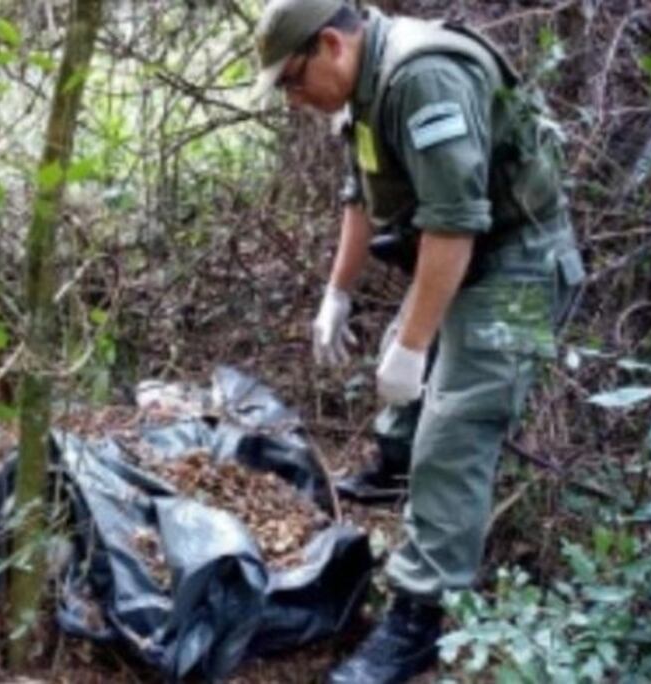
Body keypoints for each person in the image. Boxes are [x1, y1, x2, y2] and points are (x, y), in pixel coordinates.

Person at [253, 1, 586, 682]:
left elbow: (455, 225)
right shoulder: (368, 83)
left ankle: (419, 617)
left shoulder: (421, 78)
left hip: (519, 263)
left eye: (291, 80)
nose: (292, 99)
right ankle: (395, 462)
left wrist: (413, 346)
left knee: (458, 426)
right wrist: (336, 293)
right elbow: (361, 193)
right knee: (409, 378)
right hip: (465, 248)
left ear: (330, 45)